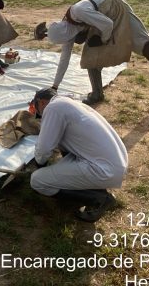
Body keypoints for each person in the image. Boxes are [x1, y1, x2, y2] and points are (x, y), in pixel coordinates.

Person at [34, 0, 149, 105]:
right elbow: (64, 59)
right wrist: (55, 86)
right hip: (103, 18)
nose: (77, 41)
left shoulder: (79, 11)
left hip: (115, 7)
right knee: (90, 57)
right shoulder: (68, 31)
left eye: (76, 38)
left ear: (72, 31)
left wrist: (102, 39)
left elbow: (107, 24)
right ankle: (97, 93)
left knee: (138, 40)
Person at [28, 88, 128, 222]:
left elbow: (44, 149)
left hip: (103, 169)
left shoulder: (53, 108)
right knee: (56, 170)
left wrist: (39, 165)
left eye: (37, 111)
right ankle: (95, 189)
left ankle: (99, 199)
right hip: (113, 162)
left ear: (41, 102)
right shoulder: (70, 104)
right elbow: (65, 148)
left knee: (37, 181)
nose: (40, 116)